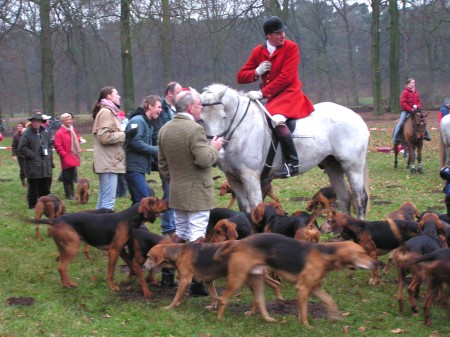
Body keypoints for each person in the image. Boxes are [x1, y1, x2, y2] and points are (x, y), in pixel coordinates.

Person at [158, 90, 223, 295]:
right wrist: (215, 147)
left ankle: (165, 271)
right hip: (197, 192)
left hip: (177, 189)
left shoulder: (165, 129)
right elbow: (204, 159)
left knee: (181, 233)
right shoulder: (195, 129)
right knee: (196, 237)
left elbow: (162, 165)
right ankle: (196, 282)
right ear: (190, 107)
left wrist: (176, 180)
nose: (201, 108)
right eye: (199, 105)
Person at [236, 15, 314, 178]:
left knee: (276, 119)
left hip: (289, 93)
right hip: (270, 97)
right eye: (278, 33)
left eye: (283, 32)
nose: (283, 36)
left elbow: (286, 77)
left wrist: (262, 93)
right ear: (268, 36)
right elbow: (240, 76)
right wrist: (256, 72)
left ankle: (292, 163)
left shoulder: (291, 47)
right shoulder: (258, 51)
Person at [92, 86, 137, 210]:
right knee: (108, 202)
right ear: (108, 97)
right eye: (116, 94)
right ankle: (104, 228)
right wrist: (126, 135)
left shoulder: (109, 112)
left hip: (109, 161)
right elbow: (104, 137)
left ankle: (96, 228)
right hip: (108, 163)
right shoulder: (106, 112)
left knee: (103, 200)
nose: (119, 97)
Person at [150, 82, 182, 236]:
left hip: (178, 156)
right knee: (169, 192)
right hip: (166, 156)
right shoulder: (160, 109)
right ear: (170, 93)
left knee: (177, 192)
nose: (181, 94)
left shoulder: (178, 108)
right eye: (178, 91)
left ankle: (177, 226)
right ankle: (168, 228)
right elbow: (158, 133)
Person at [124, 95, 161, 205]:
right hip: (133, 167)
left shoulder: (147, 122)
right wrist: (156, 150)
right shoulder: (138, 121)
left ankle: (133, 222)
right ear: (150, 106)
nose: (160, 110)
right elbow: (135, 142)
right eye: (158, 107)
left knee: (138, 201)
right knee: (143, 201)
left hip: (139, 168)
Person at [18, 113, 53, 209]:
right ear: (32, 122)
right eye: (34, 121)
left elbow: (50, 144)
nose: (36, 123)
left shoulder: (44, 133)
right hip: (33, 166)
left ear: (41, 122)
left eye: (38, 121)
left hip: (44, 165)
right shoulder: (26, 134)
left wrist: (48, 153)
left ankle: (44, 205)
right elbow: (22, 148)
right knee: (33, 187)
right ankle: (33, 205)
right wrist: (33, 155)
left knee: (45, 187)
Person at [393, 78, 431, 145]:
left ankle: (427, 135)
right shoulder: (405, 92)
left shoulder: (415, 91)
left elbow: (418, 101)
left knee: (422, 121)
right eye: (413, 82)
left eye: (414, 82)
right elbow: (403, 103)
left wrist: (417, 106)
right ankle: (395, 138)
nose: (414, 83)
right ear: (408, 84)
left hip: (416, 111)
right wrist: (411, 109)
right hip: (406, 111)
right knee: (400, 123)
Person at [54, 113, 81, 200]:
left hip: (73, 156)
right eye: (67, 120)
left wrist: (80, 141)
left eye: (70, 119)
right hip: (66, 157)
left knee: (72, 176)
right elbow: (58, 146)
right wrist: (64, 155)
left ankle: (72, 193)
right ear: (63, 121)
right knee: (66, 177)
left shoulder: (72, 130)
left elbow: (77, 138)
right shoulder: (60, 132)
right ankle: (68, 194)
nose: (69, 121)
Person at [12, 122, 27, 187]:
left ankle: (30, 182)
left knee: (28, 169)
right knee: (23, 170)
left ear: (23, 127)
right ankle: (23, 180)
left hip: (28, 155)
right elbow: (14, 146)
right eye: (18, 126)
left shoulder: (27, 135)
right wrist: (14, 155)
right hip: (20, 156)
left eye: (20, 126)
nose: (18, 127)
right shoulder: (15, 136)